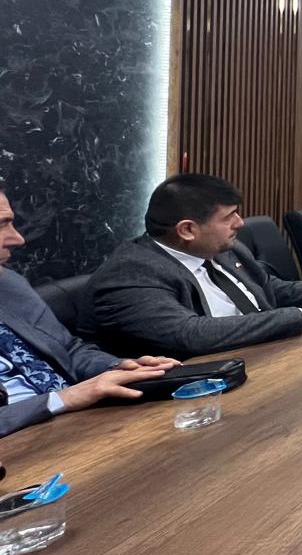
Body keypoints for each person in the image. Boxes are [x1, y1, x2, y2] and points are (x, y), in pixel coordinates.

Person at [85, 174, 302, 359]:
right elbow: (190, 334)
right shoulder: (131, 274)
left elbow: (271, 289)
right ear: (187, 230)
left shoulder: (222, 248)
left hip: (269, 358)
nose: (240, 223)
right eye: (228, 217)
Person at [0, 184, 180, 437]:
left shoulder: (7, 284)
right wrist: (61, 399)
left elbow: (68, 350)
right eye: (1, 225)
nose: (17, 239)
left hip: (78, 425)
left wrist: (121, 367)